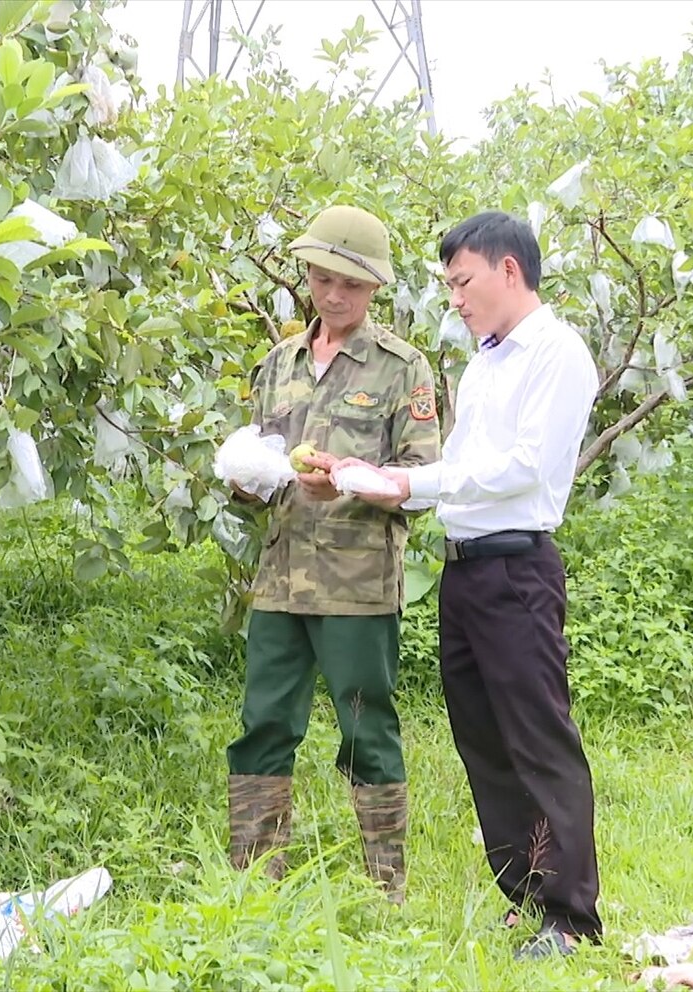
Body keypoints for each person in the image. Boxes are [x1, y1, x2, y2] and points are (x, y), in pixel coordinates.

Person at [327, 211, 602, 959]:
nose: (454, 298)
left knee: (539, 737)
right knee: (482, 735)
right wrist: (396, 483)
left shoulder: (557, 354)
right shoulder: (484, 362)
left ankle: (572, 917)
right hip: (466, 570)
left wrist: (412, 481)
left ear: (508, 270)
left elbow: (523, 469)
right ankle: (528, 895)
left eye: (462, 281)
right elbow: (460, 470)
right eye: (448, 285)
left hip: (518, 570)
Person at [223, 205, 441, 905]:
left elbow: (421, 480)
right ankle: (255, 878)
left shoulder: (403, 369)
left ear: (373, 287)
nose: (333, 294)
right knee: (263, 724)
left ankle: (386, 886)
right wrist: (247, 480)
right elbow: (263, 466)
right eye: (321, 278)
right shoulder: (277, 363)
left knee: (365, 726)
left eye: (349, 282)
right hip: (282, 582)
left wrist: (350, 476)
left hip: (355, 584)